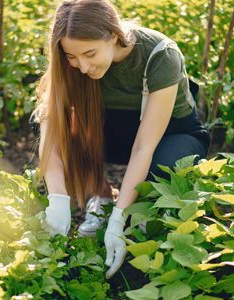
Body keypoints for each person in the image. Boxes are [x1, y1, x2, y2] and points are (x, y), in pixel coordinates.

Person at [30, 0, 210, 279]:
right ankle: (101, 195)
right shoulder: (73, 59)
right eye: (72, 57)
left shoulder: (160, 54)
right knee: (42, 120)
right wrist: (57, 201)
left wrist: (121, 217)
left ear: (113, 34)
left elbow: (144, 146)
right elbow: (52, 131)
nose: (82, 66)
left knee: (165, 170)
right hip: (111, 131)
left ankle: (136, 213)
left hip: (170, 135)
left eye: (90, 53)